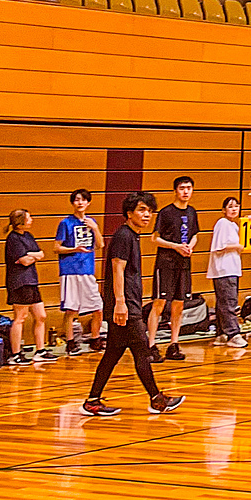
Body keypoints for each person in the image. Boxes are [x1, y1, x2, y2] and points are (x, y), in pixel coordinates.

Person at [82, 192, 186, 418]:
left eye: (149, 210)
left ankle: (92, 400)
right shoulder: (123, 236)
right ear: (129, 214)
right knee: (142, 351)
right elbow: (117, 268)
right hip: (125, 307)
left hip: (128, 304)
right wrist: (120, 303)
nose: (147, 215)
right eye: (141, 210)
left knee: (112, 354)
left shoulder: (132, 235)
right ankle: (157, 399)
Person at [148, 174, 199, 361]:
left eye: (188, 188)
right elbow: (155, 238)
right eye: (182, 188)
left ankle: (173, 344)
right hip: (166, 264)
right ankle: (151, 345)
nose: (185, 191)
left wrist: (190, 246)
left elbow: (195, 235)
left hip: (184, 265)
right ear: (175, 191)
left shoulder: (192, 212)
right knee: (159, 304)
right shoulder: (166, 212)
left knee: (179, 305)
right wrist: (175, 246)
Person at [3, 209, 57, 363]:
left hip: (32, 280)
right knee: (20, 317)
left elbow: (41, 254)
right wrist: (33, 256)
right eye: (29, 218)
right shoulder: (13, 239)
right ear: (20, 221)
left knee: (41, 316)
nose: (31, 220)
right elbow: (25, 260)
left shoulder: (28, 236)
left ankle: (40, 351)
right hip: (19, 281)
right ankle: (15, 354)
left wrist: (31, 255)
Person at [54, 188, 103, 355]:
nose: (80, 203)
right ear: (72, 203)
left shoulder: (91, 222)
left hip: (88, 270)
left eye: (83, 200)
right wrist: (74, 249)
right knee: (71, 309)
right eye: (77, 200)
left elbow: (100, 245)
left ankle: (95, 340)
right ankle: (70, 342)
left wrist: (95, 228)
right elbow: (56, 248)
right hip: (70, 270)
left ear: (88, 203)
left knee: (98, 307)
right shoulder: (65, 223)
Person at [208, 196, 247, 346]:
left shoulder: (234, 226)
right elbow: (220, 246)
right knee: (229, 302)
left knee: (223, 303)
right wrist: (237, 246)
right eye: (230, 206)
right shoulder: (222, 223)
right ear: (224, 210)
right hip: (224, 270)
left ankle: (222, 333)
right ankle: (233, 334)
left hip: (231, 269)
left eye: (236, 206)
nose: (234, 209)